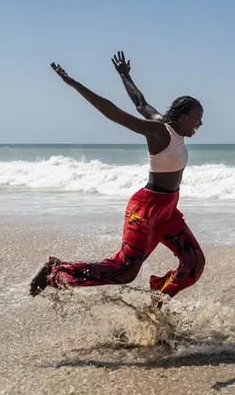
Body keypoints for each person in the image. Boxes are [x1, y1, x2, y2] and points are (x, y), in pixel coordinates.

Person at [30, 52, 205, 298]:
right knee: (124, 271)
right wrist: (74, 84)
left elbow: (140, 103)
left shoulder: (167, 127)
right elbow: (114, 113)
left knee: (193, 264)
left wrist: (125, 75)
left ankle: (157, 301)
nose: (200, 124)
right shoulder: (159, 132)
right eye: (197, 119)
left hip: (168, 210)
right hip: (146, 209)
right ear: (184, 116)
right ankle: (56, 271)